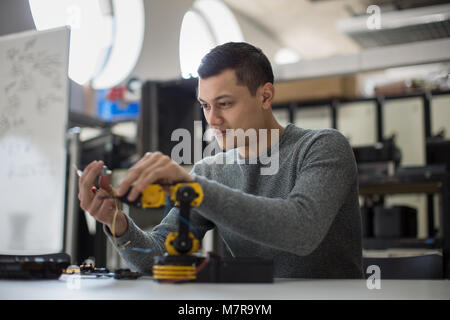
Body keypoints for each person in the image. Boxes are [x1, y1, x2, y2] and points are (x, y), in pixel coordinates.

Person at [78, 42, 363, 278]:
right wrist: (118, 223)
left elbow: (301, 231)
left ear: (265, 96)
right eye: (205, 106)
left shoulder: (323, 146)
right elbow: (156, 256)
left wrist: (195, 188)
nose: (212, 120)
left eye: (225, 104)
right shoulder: (211, 170)